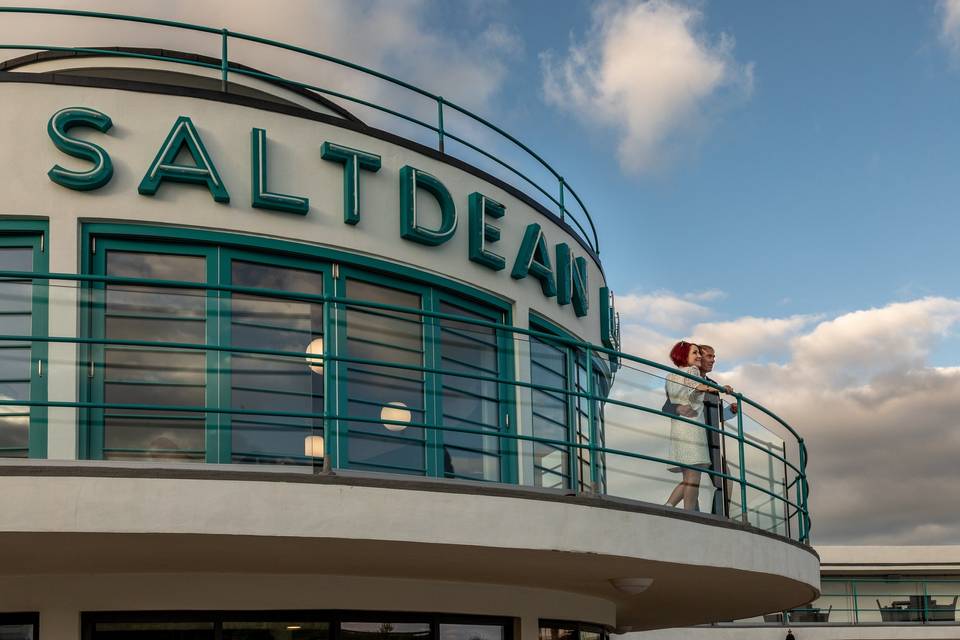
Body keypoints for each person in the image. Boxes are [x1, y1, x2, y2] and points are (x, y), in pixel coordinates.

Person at [663, 341, 716, 511]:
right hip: (693, 428)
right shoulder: (692, 371)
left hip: (679, 428)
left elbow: (674, 400)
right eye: (695, 353)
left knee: (688, 476)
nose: (699, 356)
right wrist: (714, 388)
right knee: (694, 477)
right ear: (684, 355)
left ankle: (669, 505)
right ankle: (690, 514)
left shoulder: (670, 376)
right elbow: (695, 386)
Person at [698, 344, 737, 516]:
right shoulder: (685, 379)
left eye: (714, 357)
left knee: (725, 481)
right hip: (695, 437)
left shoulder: (712, 384)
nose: (713, 360)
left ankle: (719, 516)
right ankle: (694, 515)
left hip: (711, 440)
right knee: (694, 481)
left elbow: (716, 414)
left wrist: (731, 411)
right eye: (709, 356)